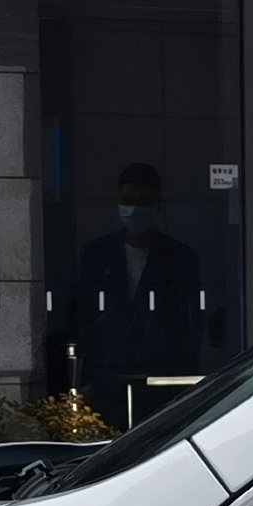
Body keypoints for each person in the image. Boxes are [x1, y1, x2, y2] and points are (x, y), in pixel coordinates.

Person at [58, 159, 205, 425]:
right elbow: (84, 317)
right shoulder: (97, 254)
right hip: (108, 376)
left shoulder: (180, 259)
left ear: (158, 205)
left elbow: (188, 325)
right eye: (128, 201)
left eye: (142, 202)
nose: (134, 210)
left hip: (161, 380)